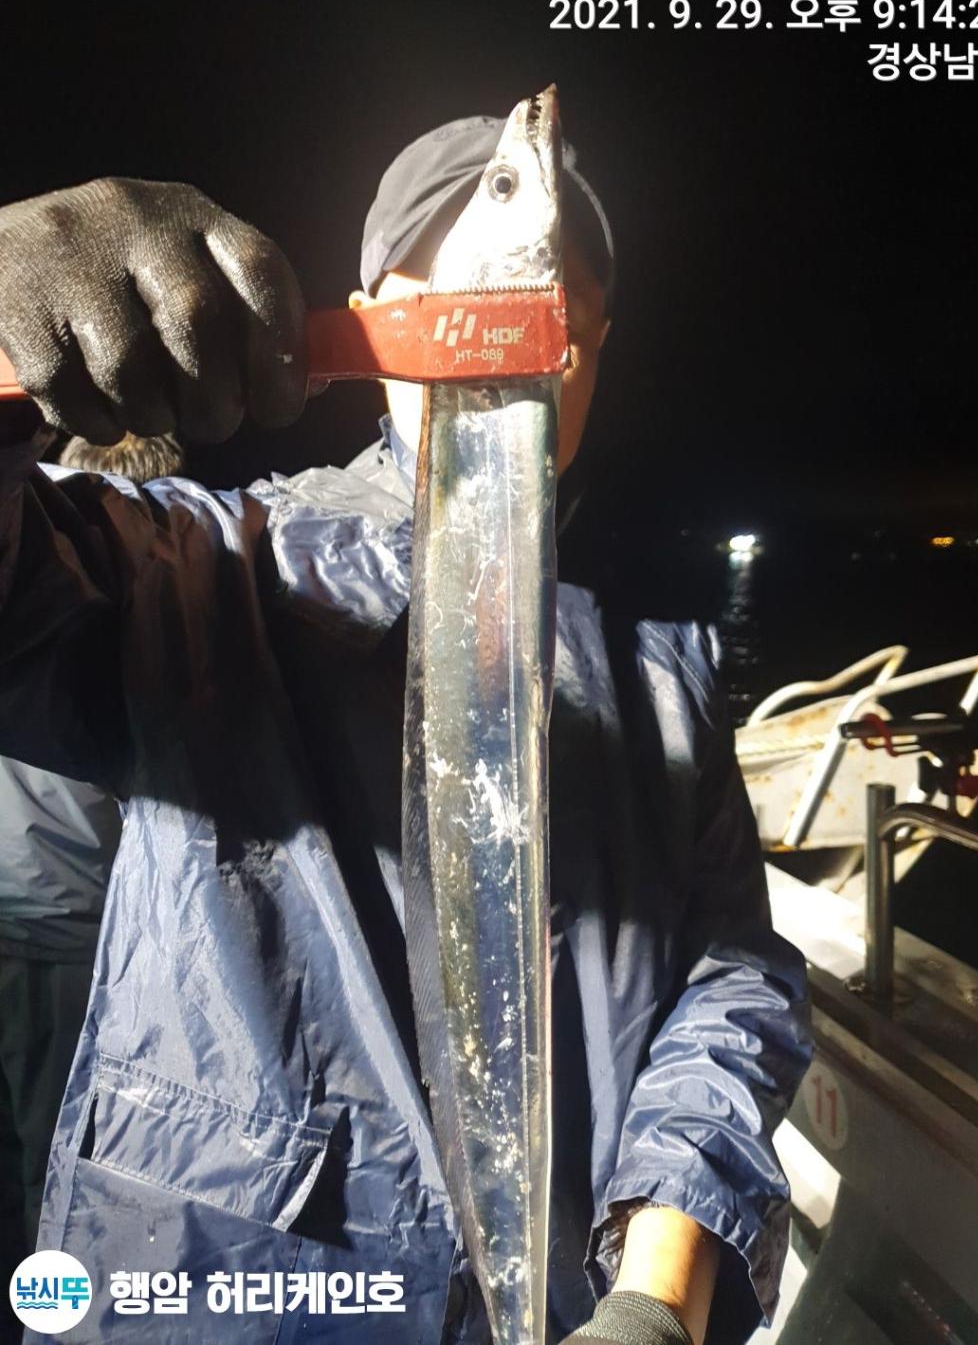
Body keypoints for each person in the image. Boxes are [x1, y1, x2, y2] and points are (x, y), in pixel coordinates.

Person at [0, 113, 811, 1345]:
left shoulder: (663, 672)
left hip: (553, 1305)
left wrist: (655, 1299)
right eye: (447, 280)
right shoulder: (197, 568)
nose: (520, 318)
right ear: (375, 318)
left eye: (566, 309)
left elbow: (729, 986)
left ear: (591, 344)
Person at [0, 430, 184, 1338]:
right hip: (74, 927)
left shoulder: (80, 580)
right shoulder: (120, 586)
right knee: (61, 1173)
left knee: (47, 1168)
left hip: (52, 923)